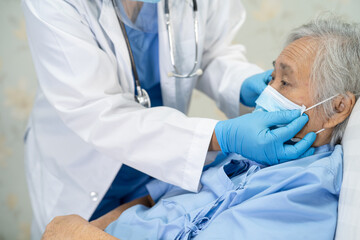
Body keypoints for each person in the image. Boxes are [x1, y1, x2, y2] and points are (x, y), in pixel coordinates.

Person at [41, 15, 360, 240]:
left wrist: (75, 233)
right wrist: (90, 227)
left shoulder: (302, 193)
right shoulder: (243, 151)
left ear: (337, 107)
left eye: (285, 81)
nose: (268, 93)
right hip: (84, 172)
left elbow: (211, 53)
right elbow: (151, 201)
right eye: (270, 77)